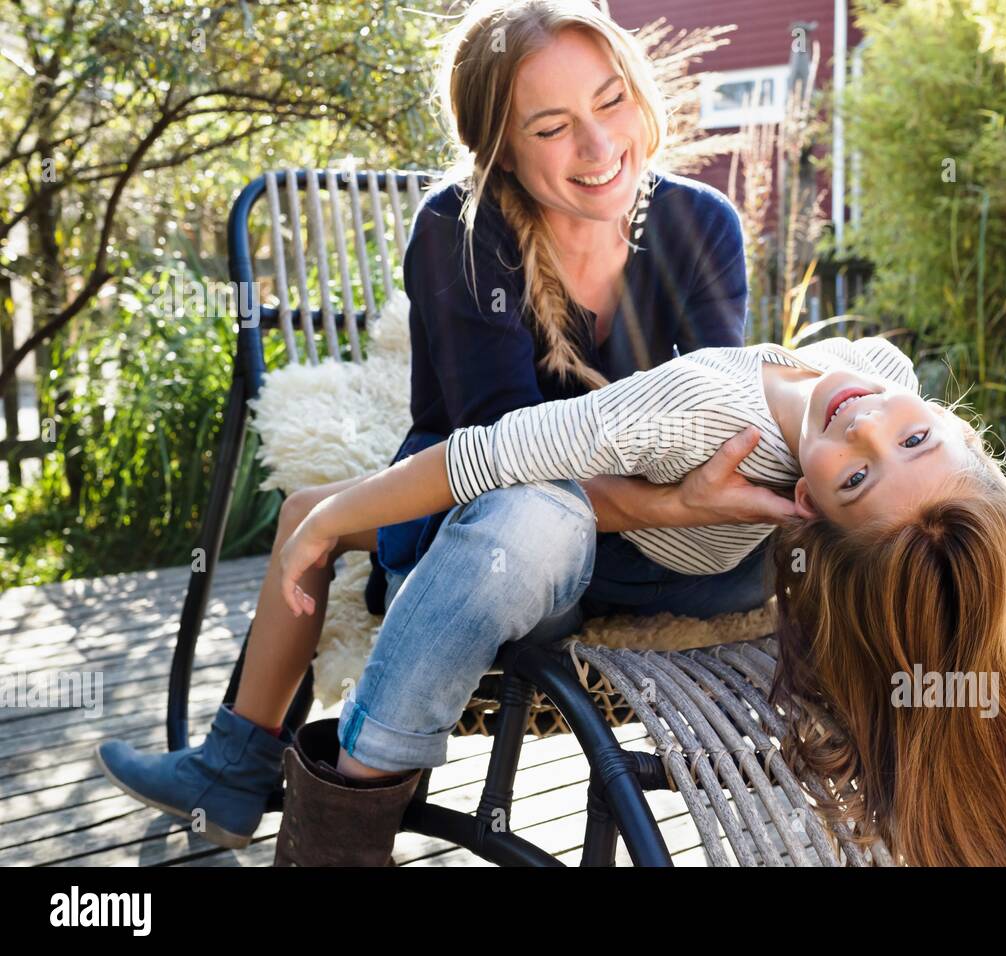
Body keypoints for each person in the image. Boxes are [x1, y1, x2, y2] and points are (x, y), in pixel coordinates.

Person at [94, 0, 797, 861]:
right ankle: (239, 769)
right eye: (552, 126)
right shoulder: (460, 229)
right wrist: (673, 501)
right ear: (499, 146)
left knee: (310, 518)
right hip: (510, 510)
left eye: (611, 101)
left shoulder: (699, 223)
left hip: (639, 545)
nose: (599, 145)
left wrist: (691, 503)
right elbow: (498, 454)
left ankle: (233, 769)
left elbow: (719, 411)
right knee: (349, 515)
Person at [281, 330, 1006, 867]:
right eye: (914, 438)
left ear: (813, 520)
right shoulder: (717, 401)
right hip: (548, 543)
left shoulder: (808, 446)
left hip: (692, 561)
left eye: (860, 477)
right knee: (519, 523)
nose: (868, 424)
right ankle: (340, 825)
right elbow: (488, 456)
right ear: (958, 426)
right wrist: (327, 524)